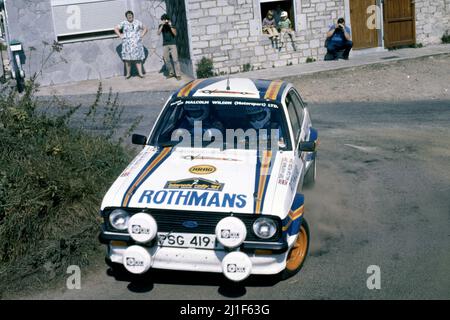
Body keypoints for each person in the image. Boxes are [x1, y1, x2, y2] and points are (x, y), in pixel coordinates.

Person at [115, 11, 148, 79]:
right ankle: (128, 74)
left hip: (136, 44)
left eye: (130, 15)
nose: (129, 16)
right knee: (127, 60)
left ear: (133, 15)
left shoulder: (137, 22)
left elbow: (145, 28)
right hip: (127, 45)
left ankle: (140, 73)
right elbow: (116, 28)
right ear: (126, 17)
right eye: (128, 15)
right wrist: (120, 35)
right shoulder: (123, 23)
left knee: (138, 59)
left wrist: (141, 35)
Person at [158, 13, 182, 80]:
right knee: (166, 60)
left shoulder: (172, 25)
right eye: (164, 19)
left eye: (166, 19)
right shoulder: (161, 25)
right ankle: (171, 73)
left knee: (175, 60)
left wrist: (170, 26)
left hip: (172, 44)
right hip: (165, 45)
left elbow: (175, 34)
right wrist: (162, 25)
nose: (165, 21)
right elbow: (158, 33)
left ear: (168, 19)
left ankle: (178, 74)